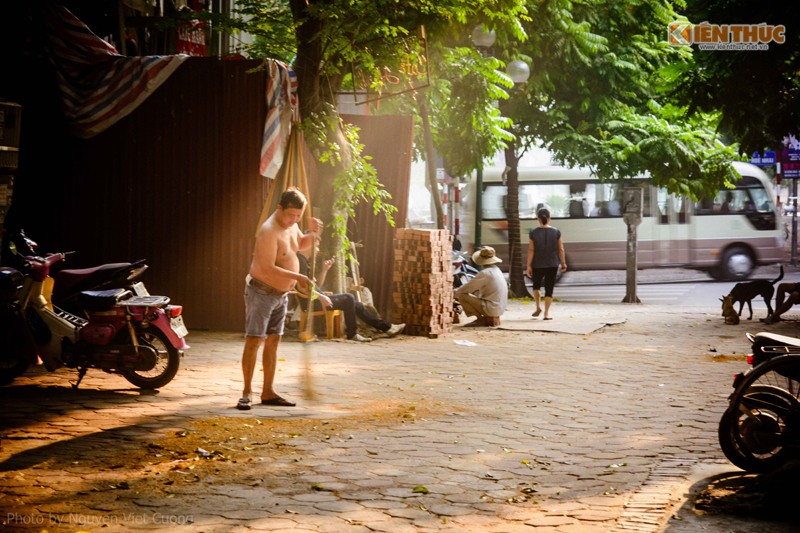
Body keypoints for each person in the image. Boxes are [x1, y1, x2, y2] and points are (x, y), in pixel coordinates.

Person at [237, 188, 322, 411]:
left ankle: (268, 391)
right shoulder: (269, 230)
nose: (293, 220)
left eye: (298, 216)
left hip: (281, 295)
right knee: (254, 340)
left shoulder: (291, 225)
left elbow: (300, 246)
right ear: (279, 208)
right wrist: (299, 277)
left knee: (273, 342)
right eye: (290, 215)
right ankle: (246, 392)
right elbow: (267, 267)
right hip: (261, 293)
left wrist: (313, 234)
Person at [296, 248, 405, 341]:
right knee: (349, 297)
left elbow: (317, 285)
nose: (318, 249)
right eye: (317, 245)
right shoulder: (301, 261)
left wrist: (325, 270)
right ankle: (352, 334)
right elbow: (303, 288)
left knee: (356, 304)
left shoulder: (306, 261)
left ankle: (387, 328)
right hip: (313, 302)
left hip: (318, 299)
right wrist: (321, 296)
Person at [527, 208, 567, 320]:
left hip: (537, 264)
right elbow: (561, 249)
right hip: (552, 264)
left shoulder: (533, 233)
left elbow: (531, 250)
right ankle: (546, 314)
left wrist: (528, 265)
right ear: (549, 218)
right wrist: (563, 263)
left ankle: (538, 307)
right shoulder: (556, 232)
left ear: (538, 219)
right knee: (549, 288)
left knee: (536, 285)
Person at [455, 246, 508, 327]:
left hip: (491, 308)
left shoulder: (485, 273)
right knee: (475, 292)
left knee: (461, 295)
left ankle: (480, 319)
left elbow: (465, 289)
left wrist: (453, 293)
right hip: (499, 307)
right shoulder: (496, 270)